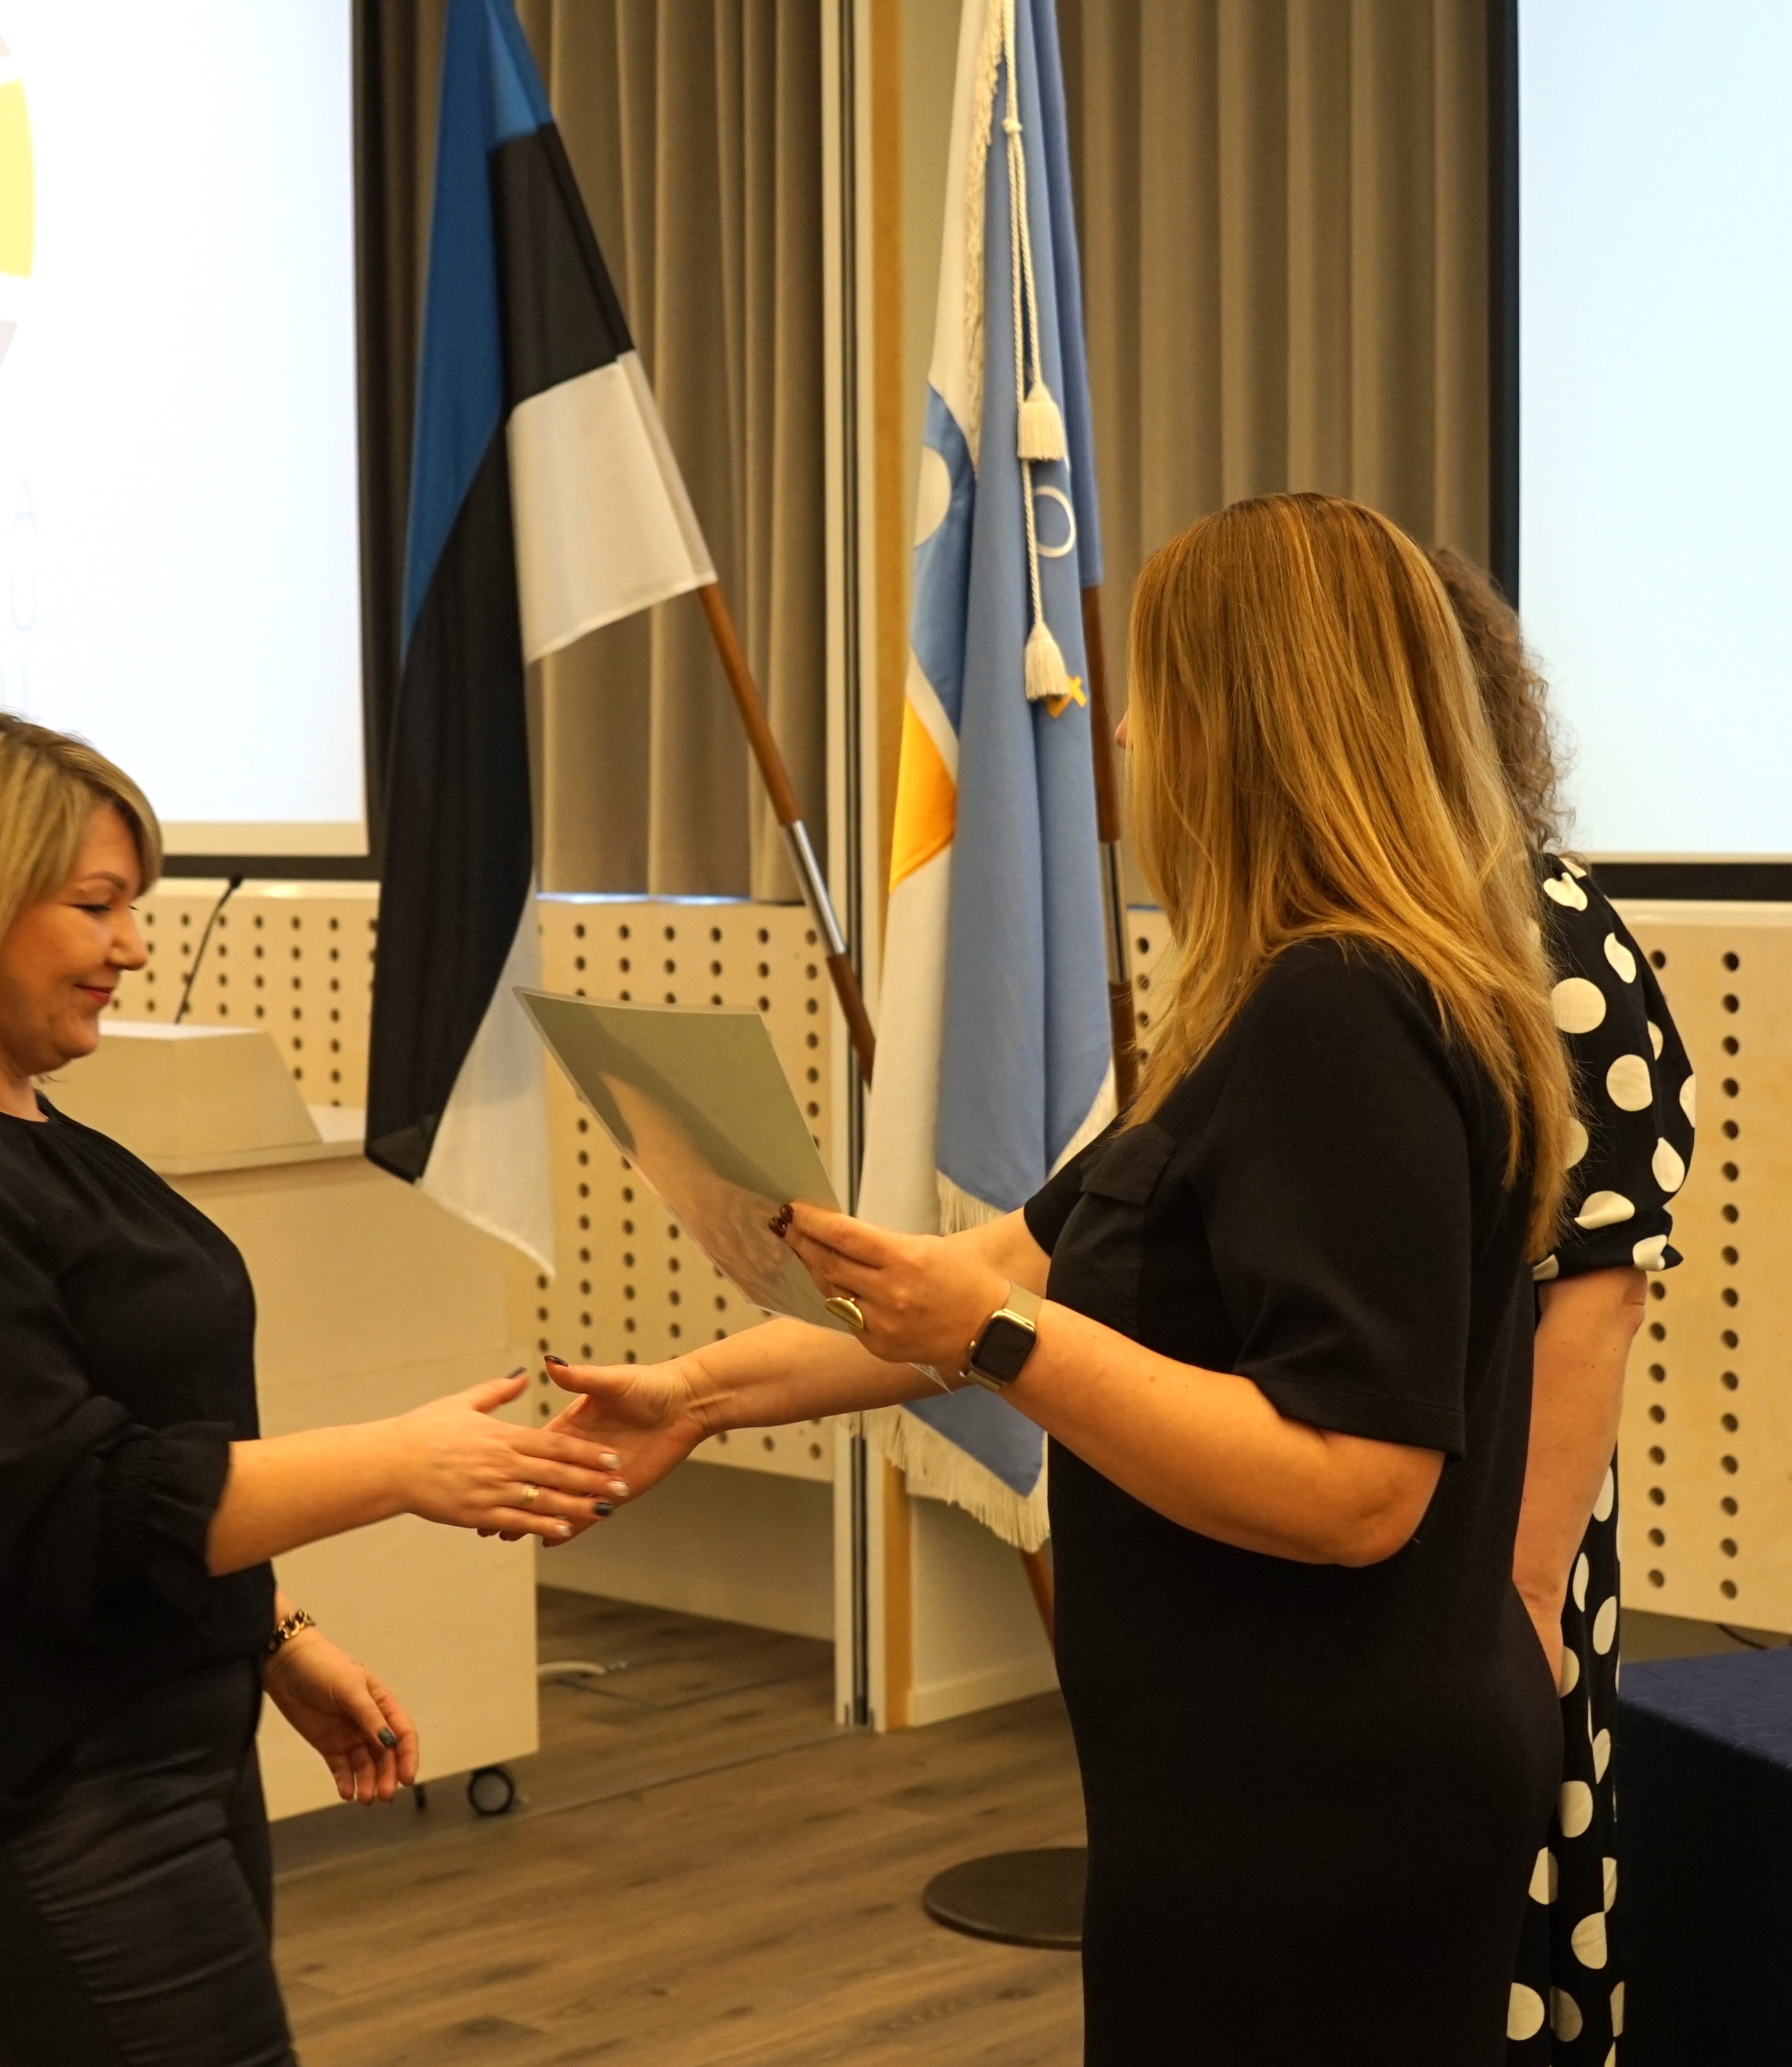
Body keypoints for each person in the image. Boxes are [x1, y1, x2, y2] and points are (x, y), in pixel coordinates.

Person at [545, 493, 1578, 2065]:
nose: (1134, 742)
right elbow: (978, 1277)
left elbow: (1358, 1484)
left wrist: (1003, 1342)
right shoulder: (1285, 1003)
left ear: (1254, 723)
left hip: (1321, 1808)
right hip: (1246, 1783)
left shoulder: (1343, 1014)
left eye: (1161, 697)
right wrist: (692, 1394)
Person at [0, 705, 630, 2067]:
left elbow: (138, 1438)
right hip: (32, 1783)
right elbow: (71, 1501)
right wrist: (400, 1463)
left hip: (156, 1742)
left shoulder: (20, 1128)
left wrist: (272, 1635)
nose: (133, 945)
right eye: (96, 904)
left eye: (136, 904)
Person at [1431, 547, 1695, 2063]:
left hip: (1489, 1561)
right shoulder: (1375, 925)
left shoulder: (1537, 923)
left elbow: (1593, 1295)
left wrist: (1518, 1611)